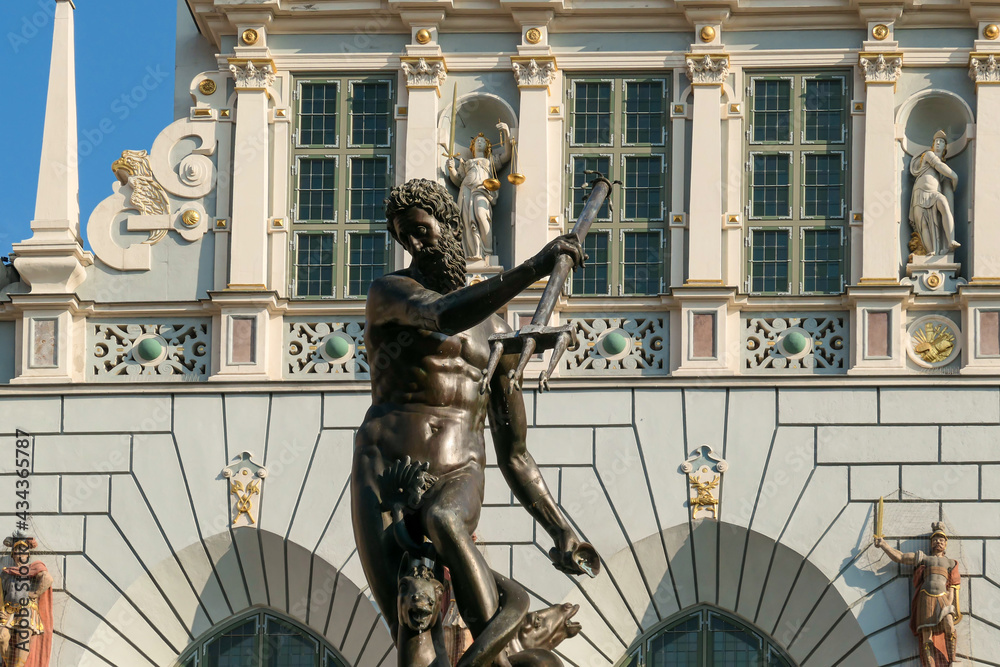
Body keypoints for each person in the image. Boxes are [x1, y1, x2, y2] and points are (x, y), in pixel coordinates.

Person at [351, 179, 600, 650]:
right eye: (405, 237)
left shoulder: (502, 337)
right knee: (412, 635)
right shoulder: (390, 292)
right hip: (387, 472)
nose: (415, 244)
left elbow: (516, 455)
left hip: (460, 469)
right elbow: (443, 315)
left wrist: (561, 529)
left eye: (422, 230)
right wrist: (535, 267)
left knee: (446, 519)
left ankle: (496, 656)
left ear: (452, 225)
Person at [875, 522, 960, 667]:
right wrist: (884, 545)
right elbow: (900, 557)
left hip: (942, 598)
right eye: (935, 539)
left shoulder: (950, 563)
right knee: (926, 634)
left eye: (941, 540)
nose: (938, 542)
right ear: (931, 543)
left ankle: (952, 659)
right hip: (925, 597)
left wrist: (949, 601)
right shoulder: (924, 558)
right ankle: (930, 664)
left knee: (949, 625)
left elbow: (953, 586)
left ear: (945, 544)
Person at [445, 124, 512, 262]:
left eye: (482, 141)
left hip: (482, 190)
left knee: (482, 216)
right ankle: (474, 253)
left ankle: (487, 253)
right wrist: (451, 169)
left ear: (487, 146)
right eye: (477, 141)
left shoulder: (490, 161)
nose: (479, 143)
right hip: (466, 190)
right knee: (468, 222)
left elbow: (507, 154)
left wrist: (505, 132)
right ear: (472, 146)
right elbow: (458, 180)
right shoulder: (467, 163)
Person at [0, 533, 53, 667]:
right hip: (9, 611)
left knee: (21, 644)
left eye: (23, 553)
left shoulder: (34, 568)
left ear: (28, 555)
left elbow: (47, 579)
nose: (20, 555)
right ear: (13, 555)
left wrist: (34, 594)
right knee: (2, 638)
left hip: (26, 612)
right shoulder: (7, 573)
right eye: (16, 552)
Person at [909, 130, 960, 256]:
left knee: (944, 204)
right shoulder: (928, 154)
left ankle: (951, 240)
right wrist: (954, 177)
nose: (938, 143)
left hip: (934, 193)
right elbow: (939, 166)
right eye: (936, 141)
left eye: (941, 141)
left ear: (945, 147)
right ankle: (931, 250)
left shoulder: (942, 166)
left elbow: (943, 173)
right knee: (924, 225)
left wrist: (951, 181)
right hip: (919, 194)